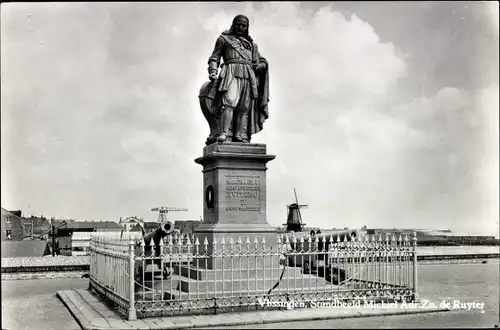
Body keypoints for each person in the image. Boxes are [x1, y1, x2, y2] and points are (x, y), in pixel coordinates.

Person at [205, 14, 270, 143]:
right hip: (231, 72)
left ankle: (239, 135)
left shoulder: (252, 45)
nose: (241, 27)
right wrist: (213, 71)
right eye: (238, 24)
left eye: (244, 26)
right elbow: (215, 57)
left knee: (244, 107)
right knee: (229, 101)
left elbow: (260, 60)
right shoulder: (224, 39)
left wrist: (262, 65)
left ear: (247, 28)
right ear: (233, 25)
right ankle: (224, 133)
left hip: (248, 75)